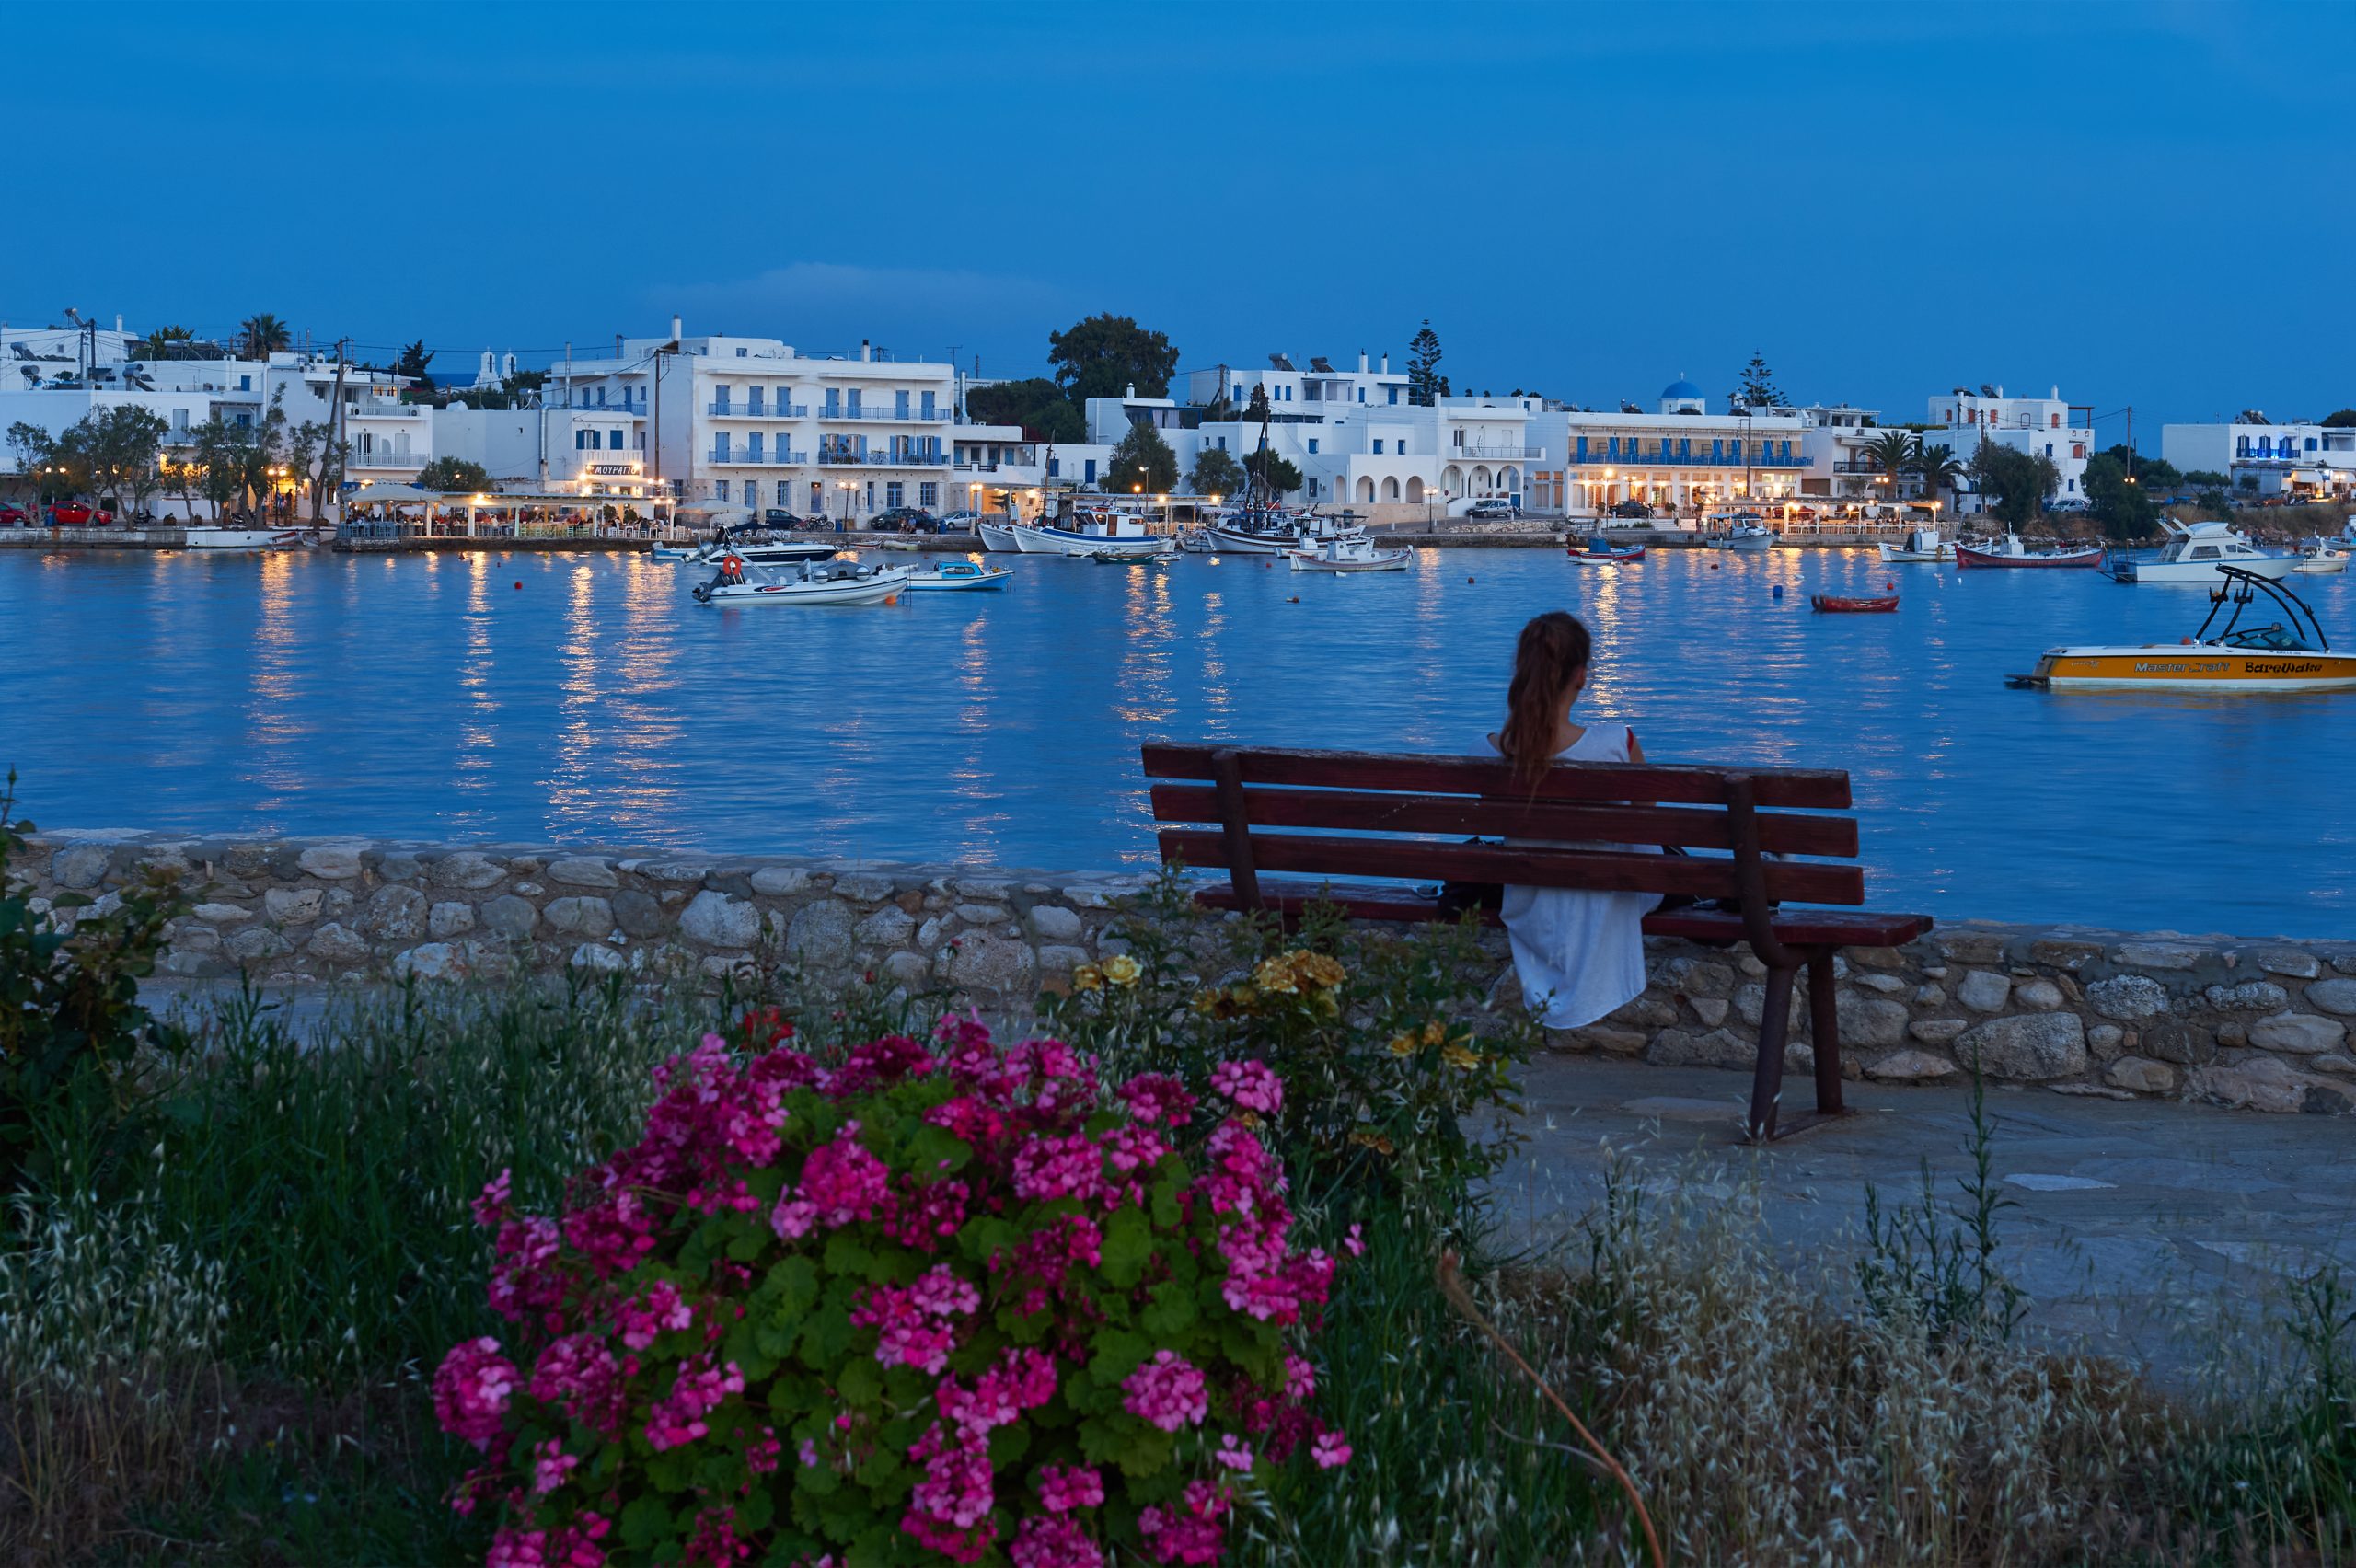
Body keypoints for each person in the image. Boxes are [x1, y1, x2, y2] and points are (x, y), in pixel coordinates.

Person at [1485, 611, 1660, 1036]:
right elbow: (1652, 824)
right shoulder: (1619, 744)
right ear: (1581, 676)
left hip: (1528, 893)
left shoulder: (1485, 750)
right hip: (1606, 888)